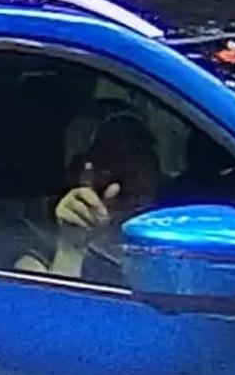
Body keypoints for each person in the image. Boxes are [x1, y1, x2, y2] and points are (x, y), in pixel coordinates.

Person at [14, 108, 162, 282]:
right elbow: (45, 299)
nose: (130, 167)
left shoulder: (177, 225)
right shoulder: (43, 255)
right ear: (77, 171)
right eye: (111, 155)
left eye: (139, 150)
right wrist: (71, 249)